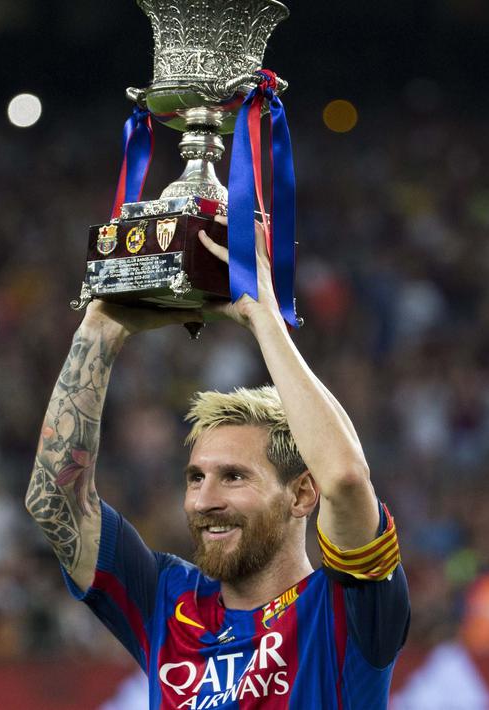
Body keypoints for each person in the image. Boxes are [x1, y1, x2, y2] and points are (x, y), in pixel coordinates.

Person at [26, 216, 410, 709]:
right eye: (195, 478)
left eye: (234, 477)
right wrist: (101, 327)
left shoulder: (346, 608)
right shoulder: (168, 601)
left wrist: (262, 318)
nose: (205, 500)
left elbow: (346, 479)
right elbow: (55, 501)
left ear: (301, 493)